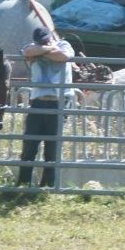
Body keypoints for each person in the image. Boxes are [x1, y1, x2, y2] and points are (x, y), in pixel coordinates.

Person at [18, 27, 75, 187]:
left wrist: (42, 51)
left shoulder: (64, 45)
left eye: (46, 40)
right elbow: (27, 52)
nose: (45, 43)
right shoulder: (33, 47)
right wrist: (48, 49)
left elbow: (63, 56)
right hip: (38, 101)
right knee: (29, 145)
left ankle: (48, 187)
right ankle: (23, 185)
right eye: (41, 42)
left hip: (59, 102)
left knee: (52, 147)